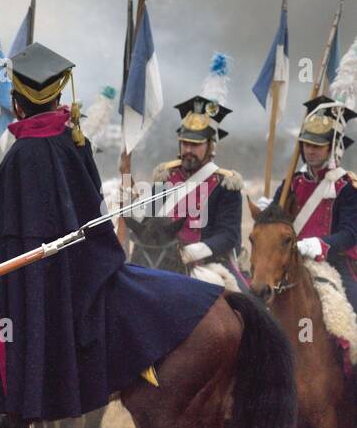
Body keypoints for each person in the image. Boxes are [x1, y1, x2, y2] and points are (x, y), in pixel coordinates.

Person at [0, 42, 223, 428]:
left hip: (40, 275)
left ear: (18, 105)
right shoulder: (72, 140)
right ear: (58, 98)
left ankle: (10, 407)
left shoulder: (22, 154)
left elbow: (1, 234)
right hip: (85, 264)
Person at [146, 94, 248, 290]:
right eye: (185, 143)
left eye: (196, 144)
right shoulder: (164, 178)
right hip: (160, 262)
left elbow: (229, 235)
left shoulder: (225, 184)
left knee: (250, 305)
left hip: (208, 264)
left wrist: (191, 253)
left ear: (210, 146)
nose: (188, 150)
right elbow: (151, 224)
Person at [268, 95, 357, 309]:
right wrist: (267, 213)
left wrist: (318, 244)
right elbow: (274, 220)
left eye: (318, 145)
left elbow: (350, 233)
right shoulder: (292, 182)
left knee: (353, 305)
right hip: (291, 260)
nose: (310, 150)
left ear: (332, 147)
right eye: (307, 144)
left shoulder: (346, 187)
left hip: (333, 260)